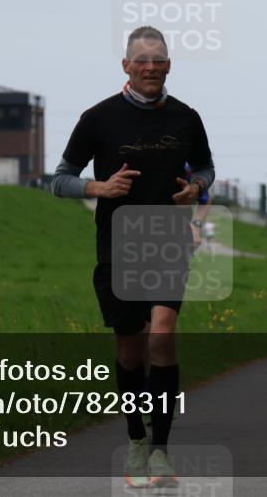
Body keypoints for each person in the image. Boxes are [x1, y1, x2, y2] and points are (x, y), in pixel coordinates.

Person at [51, 26, 214, 489]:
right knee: (130, 347)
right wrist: (97, 187)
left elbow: (206, 167)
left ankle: (160, 450)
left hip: (166, 239)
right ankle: (136, 438)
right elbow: (59, 178)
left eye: (158, 59)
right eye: (141, 59)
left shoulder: (187, 118)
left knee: (161, 335)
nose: (150, 67)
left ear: (169, 65)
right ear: (126, 65)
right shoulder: (98, 118)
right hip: (117, 244)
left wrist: (196, 187)